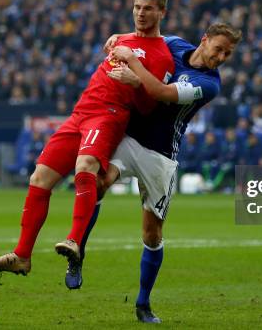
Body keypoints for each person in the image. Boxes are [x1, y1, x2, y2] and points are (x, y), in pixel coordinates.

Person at [0, 0, 175, 277]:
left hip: (108, 115)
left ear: (162, 12)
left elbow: (150, 106)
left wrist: (136, 83)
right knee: (39, 176)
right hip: (80, 112)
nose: (141, 13)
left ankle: (74, 241)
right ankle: (21, 255)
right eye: (137, 7)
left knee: (85, 166)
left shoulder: (162, 56)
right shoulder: (120, 39)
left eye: (148, 8)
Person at [75, 23, 241, 323]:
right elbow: (142, 39)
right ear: (204, 40)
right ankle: (78, 250)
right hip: (129, 136)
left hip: (161, 155)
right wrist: (118, 38)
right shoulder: (175, 44)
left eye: (227, 54)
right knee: (98, 182)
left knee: (152, 234)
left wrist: (134, 66)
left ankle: (143, 303)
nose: (221, 57)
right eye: (218, 49)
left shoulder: (209, 83)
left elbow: (161, 92)